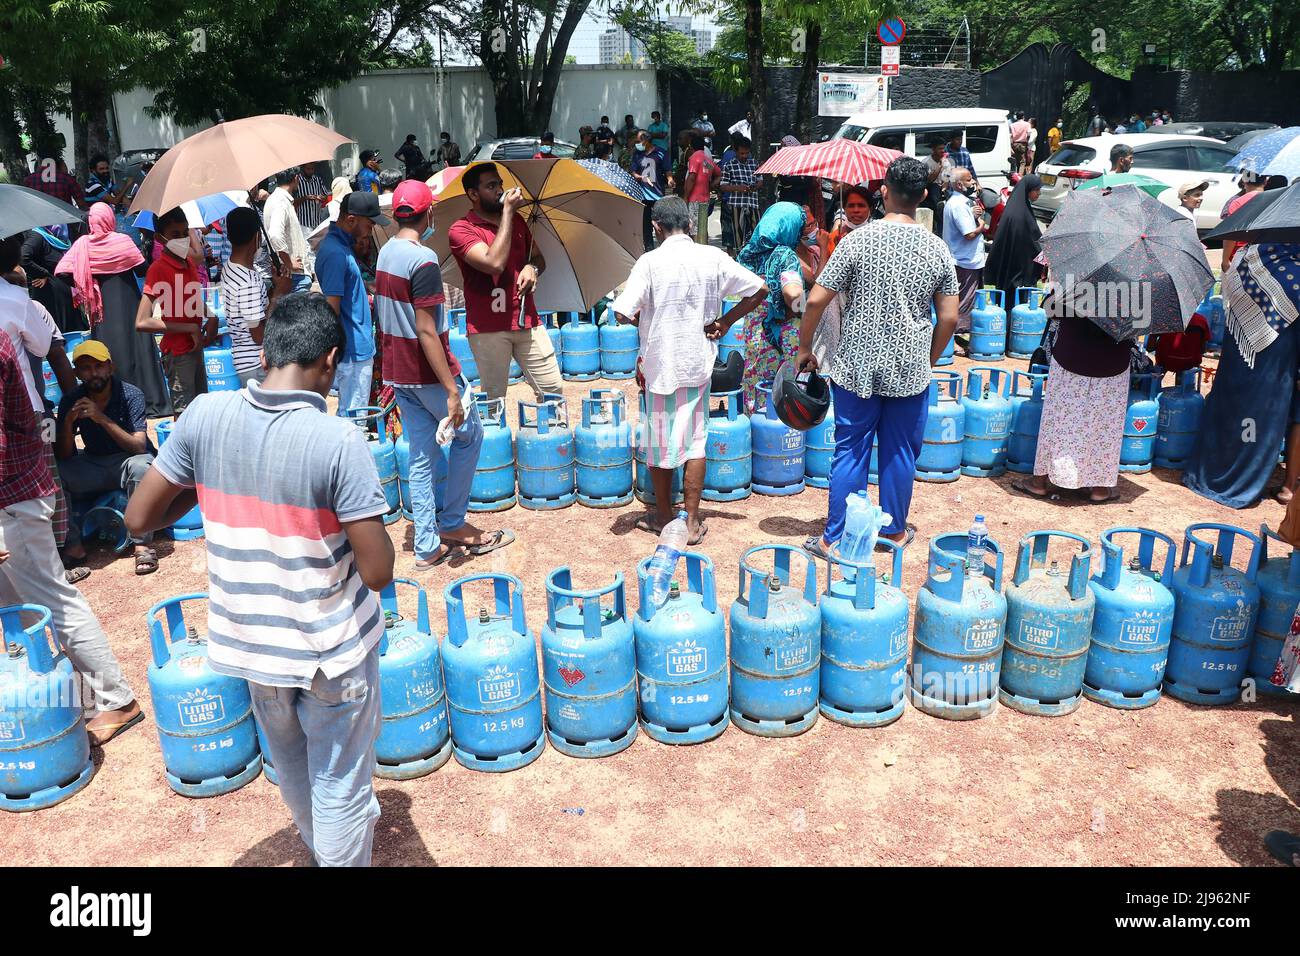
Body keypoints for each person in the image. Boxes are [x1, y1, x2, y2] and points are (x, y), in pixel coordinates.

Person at [124, 292, 396, 867]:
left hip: (253, 649)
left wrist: (206, 487)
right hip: (330, 652)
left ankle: (327, 849)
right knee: (341, 784)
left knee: (294, 769)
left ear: (265, 349)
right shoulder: (339, 441)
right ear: (328, 360)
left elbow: (139, 518)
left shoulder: (204, 414)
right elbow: (377, 572)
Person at [796, 156, 960, 554]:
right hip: (910, 368)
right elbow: (950, 317)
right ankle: (892, 532)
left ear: (884, 192)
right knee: (900, 451)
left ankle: (834, 538)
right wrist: (930, 359)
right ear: (922, 196)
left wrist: (805, 347)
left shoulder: (856, 240)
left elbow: (816, 299)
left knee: (850, 449)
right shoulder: (937, 248)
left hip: (855, 365)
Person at [0, 331, 142, 745]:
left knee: (52, 601)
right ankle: (74, 700)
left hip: (13, 498)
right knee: (18, 611)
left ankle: (116, 699)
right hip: (17, 494)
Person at [613, 197, 765, 543]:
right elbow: (760, 289)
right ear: (689, 224)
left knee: (660, 442)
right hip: (698, 363)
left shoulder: (649, 262)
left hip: (662, 366)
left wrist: (636, 315)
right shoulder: (712, 257)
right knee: (696, 440)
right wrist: (726, 321)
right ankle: (692, 521)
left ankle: (665, 517)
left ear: (656, 228)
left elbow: (623, 311)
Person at [376, 180, 510, 567]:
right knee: (470, 435)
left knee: (421, 455)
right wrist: (451, 388)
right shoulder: (423, 260)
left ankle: (426, 547)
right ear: (429, 213)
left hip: (398, 371)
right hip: (427, 372)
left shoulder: (387, 253)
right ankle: (451, 521)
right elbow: (425, 329)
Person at [1184, 244, 1300, 509]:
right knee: (1258, 422)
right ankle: (1239, 481)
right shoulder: (1295, 273)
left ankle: (1211, 472)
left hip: (1239, 354)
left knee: (1234, 414)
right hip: (1273, 363)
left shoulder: (1248, 257)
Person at [446, 163, 563, 403]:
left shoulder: (518, 222)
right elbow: (494, 263)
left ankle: (552, 434)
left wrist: (532, 268)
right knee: (493, 399)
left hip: (527, 320)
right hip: (488, 328)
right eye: (491, 186)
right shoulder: (462, 229)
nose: (500, 190)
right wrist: (508, 213)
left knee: (552, 388)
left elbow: (538, 257)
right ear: (473, 194)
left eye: (499, 183)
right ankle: (492, 441)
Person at [54, 203, 172, 417]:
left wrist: (86, 281)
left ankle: (117, 405)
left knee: (108, 352)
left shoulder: (83, 246)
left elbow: (60, 271)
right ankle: (150, 403)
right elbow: (142, 269)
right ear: (110, 219)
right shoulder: (123, 241)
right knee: (139, 350)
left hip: (102, 307)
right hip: (129, 302)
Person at [54, 340, 162, 572]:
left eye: (99, 366)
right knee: (55, 473)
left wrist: (100, 418)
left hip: (126, 459)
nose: (93, 373)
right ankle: (73, 546)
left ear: (110, 367)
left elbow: (138, 447)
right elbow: (64, 455)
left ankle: (142, 544)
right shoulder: (71, 399)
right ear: (76, 373)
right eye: (85, 368)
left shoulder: (130, 394)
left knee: (142, 466)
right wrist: (67, 425)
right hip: (94, 462)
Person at [1014, 295, 1133, 504]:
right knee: (1105, 425)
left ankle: (1039, 482)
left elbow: (1051, 310)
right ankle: (1100, 488)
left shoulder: (1077, 279)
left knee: (1060, 421)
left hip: (1072, 358)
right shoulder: (1140, 287)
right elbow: (1141, 325)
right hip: (1114, 363)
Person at [136, 206, 215, 416]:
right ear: (161, 238)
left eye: (185, 232)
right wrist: (188, 327)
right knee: (185, 414)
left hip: (195, 346)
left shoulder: (189, 262)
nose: (182, 239)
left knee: (202, 410)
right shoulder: (158, 269)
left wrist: (210, 316)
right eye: (175, 235)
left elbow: (189, 297)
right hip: (178, 354)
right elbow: (142, 322)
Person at [316, 190, 388, 416]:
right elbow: (331, 308)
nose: (372, 229)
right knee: (353, 418)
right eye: (369, 224)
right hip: (352, 351)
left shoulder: (341, 248)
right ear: (351, 220)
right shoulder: (337, 253)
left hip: (356, 346)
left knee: (353, 415)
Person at [733, 202, 807, 412]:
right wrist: (801, 309)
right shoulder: (785, 255)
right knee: (785, 390)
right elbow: (792, 293)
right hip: (783, 337)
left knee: (757, 383)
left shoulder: (748, 253)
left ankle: (755, 426)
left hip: (754, 332)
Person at [222, 207, 291, 387]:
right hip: (255, 363)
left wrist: (274, 287)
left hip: (246, 361)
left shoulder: (231, 268)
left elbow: (254, 310)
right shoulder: (247, 280)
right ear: (257, 236)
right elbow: (258, 334)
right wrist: (278, 293)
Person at [984, 173, 1043, 317]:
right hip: (1018, 269)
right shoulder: (1020, 213)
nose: (1039, 193)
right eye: (1037, 190)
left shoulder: (1018, 208)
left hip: (1010, 267)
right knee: (1016, 306)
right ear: (1028, 189)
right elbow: (1031, 240)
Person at [943, 168, 986, 337]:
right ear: (959, 185)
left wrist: (975, 215)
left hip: (965, 258)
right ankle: (954, 338)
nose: (973, 183)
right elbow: (969, 234)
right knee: (963, 300)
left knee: (963, 298)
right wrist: (981, 225)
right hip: (964, 260)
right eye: (969, 180)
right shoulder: (958, 205)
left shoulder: (963, 201)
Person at [21, 224, 84, 333]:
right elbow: (23, 258)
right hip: (51, 294)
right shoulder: (38, 236)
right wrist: (43, 273)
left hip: (63, 292)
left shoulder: (59, 239)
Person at [720, 136, 761, 256]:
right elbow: (723, 186)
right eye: (742, 153)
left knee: (756, 229)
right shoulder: (729, 165)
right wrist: (738, 188)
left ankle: (756, 254)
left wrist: (754, 187)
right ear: (735, 151)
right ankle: (739, 256)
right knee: (738, 231)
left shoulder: (754, 163)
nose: (744, 156)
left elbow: (760, 181)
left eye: (747, 153)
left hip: (752, 202)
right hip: (737, 204)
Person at [1221, 170, 1268, 272]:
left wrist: (1225, 260)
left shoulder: (1237, 203)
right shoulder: (1274, 200)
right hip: (1265, 255)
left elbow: (1231, 234)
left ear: (1244, 181)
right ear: (1265, 181)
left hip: (1240, 256)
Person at [683, 132, 720, 245]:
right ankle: (704, 248)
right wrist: (712, 185)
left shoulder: (694, 158)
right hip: (705, 198)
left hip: (694, 198)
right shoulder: (706, 160)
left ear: (691, 146)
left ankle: (696, 251)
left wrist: (685, 196)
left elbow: (692, 177)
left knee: (694, 228)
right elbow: (718, 173)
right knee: (703, 227)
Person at [828, 186, 872, 255]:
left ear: (870, 209)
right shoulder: (834, 237)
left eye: (861, 205)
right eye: (851, 206)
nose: (856, 210)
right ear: (844, 209)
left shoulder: (876, 236)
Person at [294, 160, 330, 237]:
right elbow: (293, 201)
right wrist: (306, 198)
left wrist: (321, 197)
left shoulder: (318, 180)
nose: (311, 171)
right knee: (307, 247)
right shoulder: (297, 181)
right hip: (304, 222)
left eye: (312, 169)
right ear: (303, 168)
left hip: (317, 221)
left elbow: (325, 195)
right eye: (308, 169)